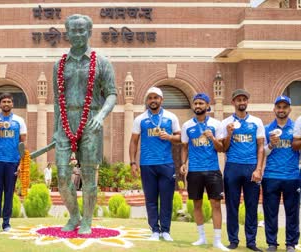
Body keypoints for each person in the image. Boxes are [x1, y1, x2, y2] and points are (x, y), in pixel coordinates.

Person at [52, 14, 117, 234]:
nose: (78, 34)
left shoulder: (101, 62)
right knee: (62, 175)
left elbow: (112, 94)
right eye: (74, 30)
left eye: (82, 30)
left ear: (89, 32)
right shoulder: (59, 65)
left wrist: (101, 116)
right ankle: (74, 216)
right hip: (65, 122)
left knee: (89, 174)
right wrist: (55, 130)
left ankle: (87, 220)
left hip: (90, 121)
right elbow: (55, 99)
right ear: (67, 34)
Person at [129, 86, 181, 241]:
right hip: (147, 164)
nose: (153, 100)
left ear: (161, 100)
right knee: (151, 199)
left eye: (155, 97)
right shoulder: (140, 119)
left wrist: (170, 137)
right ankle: (154, 231)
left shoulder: (171, 117)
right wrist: (133, 162)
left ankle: (166, 231)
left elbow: (181, 138)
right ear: (147, 100)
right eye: (150, 98)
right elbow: (133, 142)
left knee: (166, 198)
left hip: (166, 164)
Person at [180, 93, 229, 251]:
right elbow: (185, 147)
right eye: (196, 103)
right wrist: (183, 163)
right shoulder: (187, 125)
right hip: (194, 171)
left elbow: (221, 149)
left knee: (216, 204)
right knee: (197, 204)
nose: (198, 106)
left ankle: (217, 240)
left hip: (212, 170)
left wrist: (212, 138)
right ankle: (201, 237)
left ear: (208, 106)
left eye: (201, 103)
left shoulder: (216, 124)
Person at [221, 89, 265, 251]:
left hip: (251, 167)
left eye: (244, 99)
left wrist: (259, 168)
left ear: (247, 102)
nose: (241, 102)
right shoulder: (226, 123)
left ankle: (251, 242)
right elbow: (224, 148)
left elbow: (261, 146)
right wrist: (229, 134)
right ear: (233, 102)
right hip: (232, 166)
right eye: (238, 99)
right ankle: (233, 240)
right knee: (232, 205)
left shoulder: (256, 121)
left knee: (251, 206)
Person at [262, 96, 299, 252]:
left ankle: (290, 243)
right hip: (271, 176)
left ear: (289, 109)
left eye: (285, 107)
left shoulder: (296, 128)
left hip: (292, 176)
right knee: (271, 212)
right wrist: (271, 144)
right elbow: (263, 152)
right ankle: (272, 243)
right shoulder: (267, 128)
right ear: (274, 109)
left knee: (292, 212)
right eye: (279, 107)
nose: (281, 110)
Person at [0, 93, 27, 234]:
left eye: (9, 101)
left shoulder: (19, 121)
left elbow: (22, 143)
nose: (6, 103)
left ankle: (7, 224)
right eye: (3, 101)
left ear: (12, 104)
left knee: (9, 193)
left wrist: (21, 163)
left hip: (13, 162)